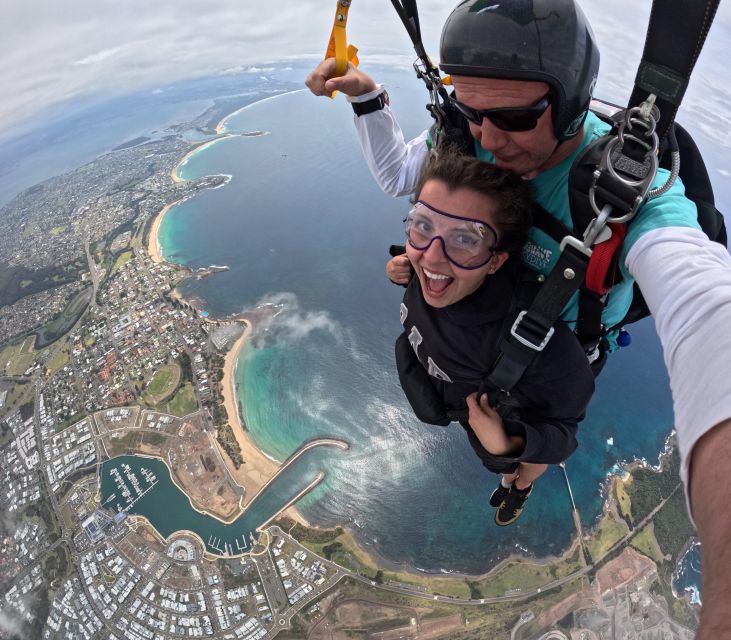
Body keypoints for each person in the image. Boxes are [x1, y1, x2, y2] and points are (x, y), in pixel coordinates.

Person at [307, 1, 731, 634]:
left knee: (518, 454)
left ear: (567, 104)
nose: (486, 137)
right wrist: (367, 96)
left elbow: (707, 312)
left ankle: (519, 485)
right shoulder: (469, 135)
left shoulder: (623, 193)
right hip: (482, 333)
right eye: (470, 108)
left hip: (545, 366)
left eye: (511, 116)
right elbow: (403, 173)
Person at [388, 148, 594, 525]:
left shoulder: (538, 342)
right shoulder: (424, 269)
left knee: (523, 466)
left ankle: (521, 488)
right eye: (423, 225)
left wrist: (510, 443)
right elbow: (424, 261)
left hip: (511, 423)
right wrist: (400, 268)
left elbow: (565, 432)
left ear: (497, 259)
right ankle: (505, 480)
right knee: (495, 464)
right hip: (475, 415)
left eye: (465, 239)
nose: (431, 258)